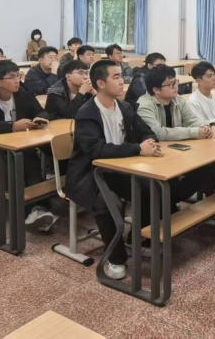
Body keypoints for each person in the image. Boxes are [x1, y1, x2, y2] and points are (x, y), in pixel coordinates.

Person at [67, 60, 162, 280]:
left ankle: (137, 238)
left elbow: (146, 131)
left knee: (151, 187)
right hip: (89, 174)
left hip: (118, 169)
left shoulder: (125, 107)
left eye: (121, 76)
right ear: (101, 83)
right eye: (116, 77)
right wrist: (138, 149)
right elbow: (96, 151)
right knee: (108, 204)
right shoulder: (86, 113)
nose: (122, 81)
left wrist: (149, 142)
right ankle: (115, 257)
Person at [0, 60, 58, 231]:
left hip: (20, 146)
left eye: (18, 75)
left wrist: (39, 118)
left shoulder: (21, 93)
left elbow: (43, 111)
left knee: (29, 158)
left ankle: (38, 208)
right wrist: (11, 126)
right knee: (14, 164)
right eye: (12, 77)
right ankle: (31, 211)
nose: (17, 80)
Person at [137, 65, 214, 141]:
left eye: (175, 82)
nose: (175, 87)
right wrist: (195, 132)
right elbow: (158, 133)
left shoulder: (178, 100)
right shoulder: (144, 106)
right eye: (170, 84)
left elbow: (192, 120)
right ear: (156, 90)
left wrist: (205, 127)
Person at [189, 61, 215, 126]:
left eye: (214, 75)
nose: (214, 79)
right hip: (208, 130)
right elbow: (201, 126)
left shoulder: (214, 94)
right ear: (199, 81)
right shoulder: (194, 101)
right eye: (209, 76)